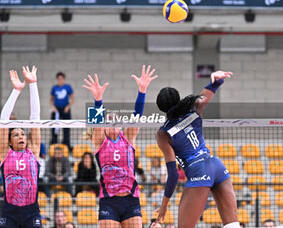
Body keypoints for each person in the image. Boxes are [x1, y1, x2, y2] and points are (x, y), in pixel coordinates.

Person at [153, 71, 238, 228]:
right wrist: (217, 79)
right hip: (216, 165)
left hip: (198, 171)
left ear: (161, 108)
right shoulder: (195, 108)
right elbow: (214, 86)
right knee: (232, 226)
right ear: (178, 99)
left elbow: (172, 175)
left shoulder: (163, 133)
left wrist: (163, 206)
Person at [82, 65, 157, 228]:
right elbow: (98, 123)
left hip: (131, 199)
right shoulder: (100, 141)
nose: (113, 123)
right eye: (109, 121)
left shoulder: (128, 138)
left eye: (116, 121)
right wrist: (98, 99)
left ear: (122, 125)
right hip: (109, 200)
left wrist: (142, 90)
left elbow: (137, 116)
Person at [0, 66, 42, 228]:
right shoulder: (5, 153)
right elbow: (3, 121)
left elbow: (35, 118)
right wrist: (16, 90)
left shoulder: (34, 151)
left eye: (23, 134)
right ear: (9, 141)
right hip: (10, 212)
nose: (21, 136)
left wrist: (33, 84)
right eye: (16, 134)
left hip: (31, 212)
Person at [50, 72, 75, 148]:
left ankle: (66, 144)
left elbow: (73, 99)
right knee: (54, 127)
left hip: (65, 109)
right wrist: (53, 107)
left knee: (66, 127)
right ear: (57, 79)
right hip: (56, 110)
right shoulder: (54, 88)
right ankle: (54, 143)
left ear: (64, 79)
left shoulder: (68, 87)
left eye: (61, 79)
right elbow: (51, 99)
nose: (60, 80)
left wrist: (68, 107)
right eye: (59, 79)